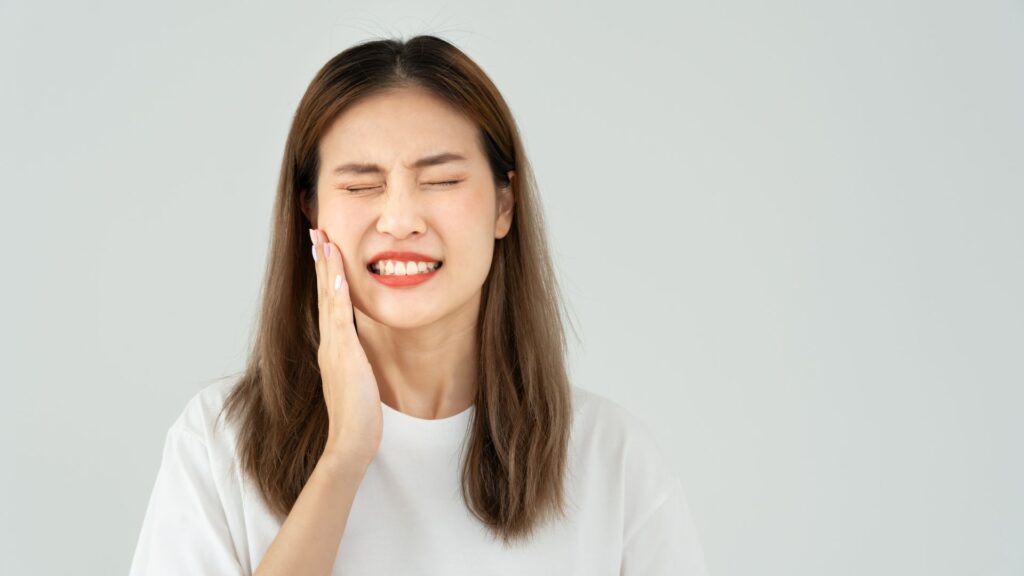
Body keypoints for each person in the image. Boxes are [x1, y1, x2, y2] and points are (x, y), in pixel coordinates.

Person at [128, 34, 710, 575]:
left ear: (504, 205)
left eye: (442, 181)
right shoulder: (218, 445)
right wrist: (344, 456)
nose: (401, 220)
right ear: (310, 210)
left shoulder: (614, 462)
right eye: (361, 186)